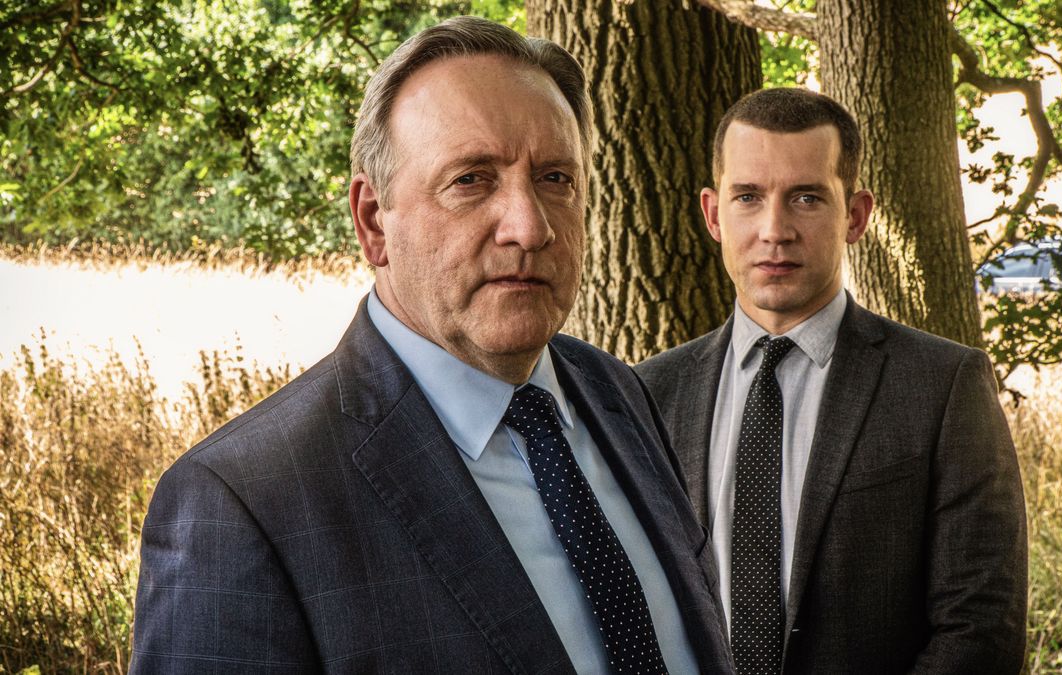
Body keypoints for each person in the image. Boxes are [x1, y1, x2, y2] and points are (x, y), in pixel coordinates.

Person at [130, 17, 732, 674]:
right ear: (372, 222)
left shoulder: (618, 391)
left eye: (556, 177)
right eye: (472, 179)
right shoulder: (243, 503)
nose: (529, 227)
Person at [635, 87, 1028, 675]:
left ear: (856, 215)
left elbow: (981, 627)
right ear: (714, 214)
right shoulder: (647, 392)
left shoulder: (942, 386)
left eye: (806, 198)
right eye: (749, 197)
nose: (775, 229)